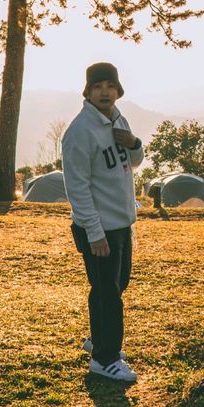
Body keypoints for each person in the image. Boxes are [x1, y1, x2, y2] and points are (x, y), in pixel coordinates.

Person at [62, 62, 144, 383]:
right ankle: (104, 358)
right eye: (98, 86)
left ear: (118, 89)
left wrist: (134, 143)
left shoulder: (118, 118)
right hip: (98, 229)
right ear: (88, 92)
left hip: (121, 224)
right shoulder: (80, 132)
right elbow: (77, 188)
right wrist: (94, 233)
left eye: (110, 85)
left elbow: (132, 162)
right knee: (106, 292)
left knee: (117, 284)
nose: (105, 92)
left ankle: (99, 338)